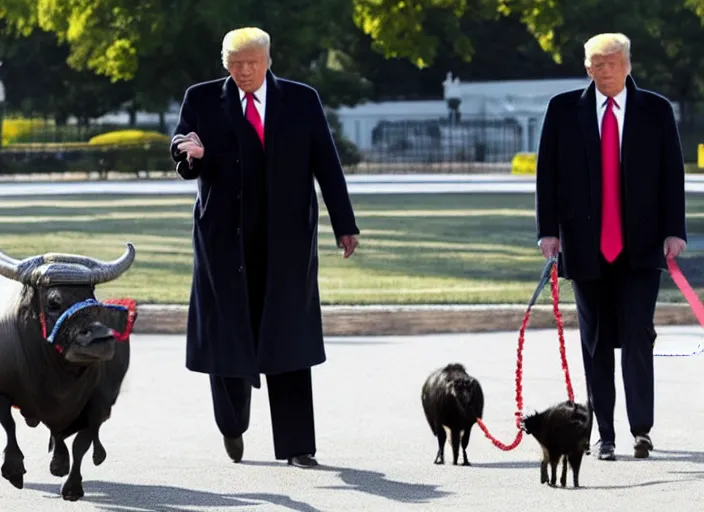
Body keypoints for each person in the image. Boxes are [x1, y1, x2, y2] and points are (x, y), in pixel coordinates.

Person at [169, 27, 360, 468]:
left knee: (287, 334)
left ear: (268, 59)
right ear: (225, 64)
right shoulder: (200, 99)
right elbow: (182, 147)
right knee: (227, 331)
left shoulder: (301, 99)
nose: (243, 72)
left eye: (251, 63)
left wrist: (344, 224)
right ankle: (232, 424)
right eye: (235, 65)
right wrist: (188, 152)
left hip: (287, 242)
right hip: (222, 242)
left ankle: (297, 446)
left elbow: (327, 164)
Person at [535, 33, 687, 461]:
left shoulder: (656, 110)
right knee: (596, 342)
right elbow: (546, 175)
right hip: (585, 247)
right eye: (596, 64)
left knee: (638, 334)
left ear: (628, 64)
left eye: (612, 63)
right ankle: (603, 434)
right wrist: (548, 231)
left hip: (640, 247)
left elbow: (671, 176)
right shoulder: (563, 110)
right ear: (587, 68)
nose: (604, 71)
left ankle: (641, 429)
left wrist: (674, 231)